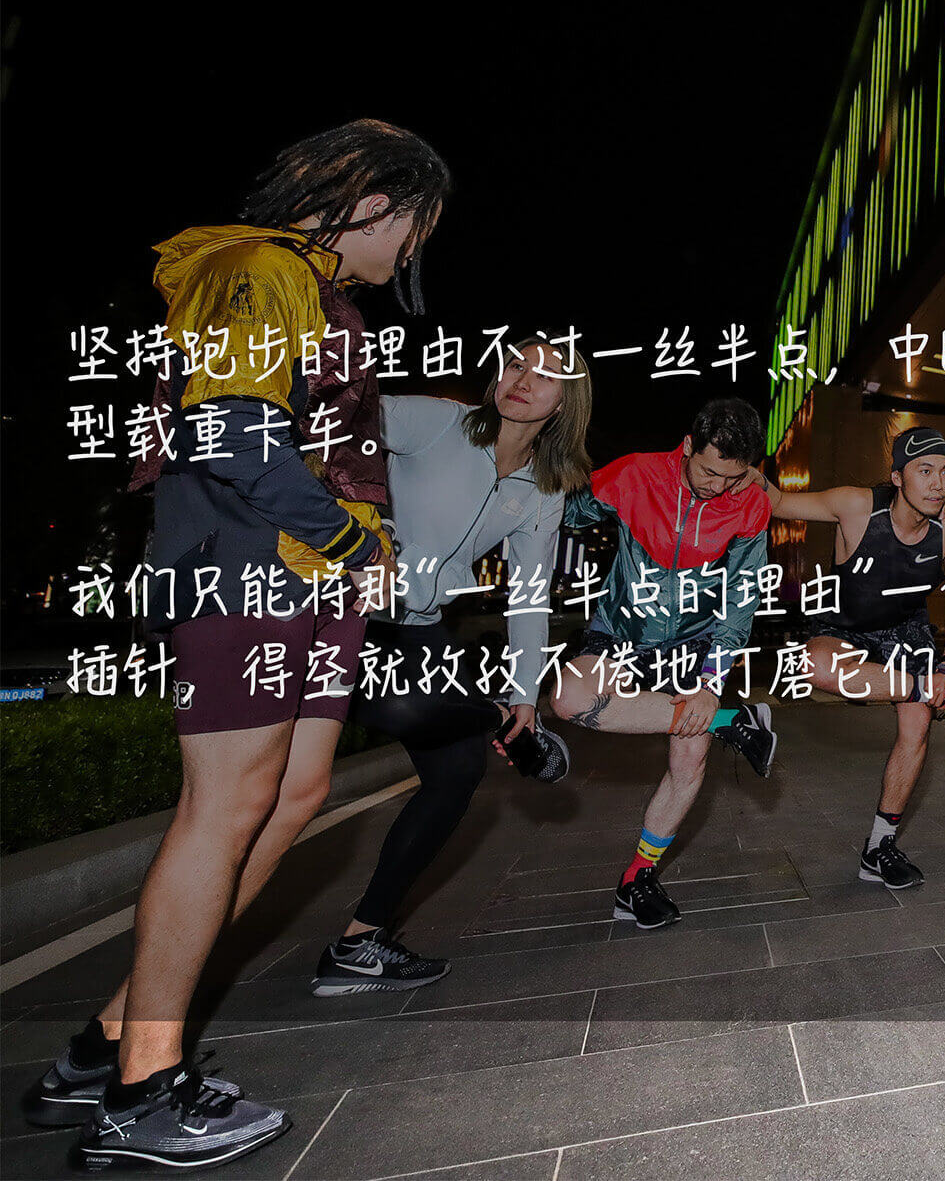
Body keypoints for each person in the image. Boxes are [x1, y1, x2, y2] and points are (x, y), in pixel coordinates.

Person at [20, 121, 447, 1171]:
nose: (414, 250)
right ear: (374, 203)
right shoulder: (253, 268)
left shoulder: (311, 288)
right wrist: (351, 539)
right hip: (249, 558)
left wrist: (359, 553)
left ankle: (108, 1044)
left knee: (293, 793)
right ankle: (142, 1092)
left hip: (306, 569)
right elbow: (235, 433)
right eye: (418, 226)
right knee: (225, 805)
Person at [309, 336, 590, 996]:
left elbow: (529, 596)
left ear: (564, 402)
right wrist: (351, 528)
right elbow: (331, 422)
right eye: (515, 362)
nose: (524, 378)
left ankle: (359, 942)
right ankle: (488, 714)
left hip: (420, 626)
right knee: (399, 708)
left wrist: (525, 695)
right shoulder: (437, 421)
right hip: (346, 609)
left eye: (546, 374)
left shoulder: (543, 487)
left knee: (458, 771)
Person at [546, 399, 781, 929]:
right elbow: (565, 510)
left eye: (733, 476)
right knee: (569, 699)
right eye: (709, 472)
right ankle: (731, 723)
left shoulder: (748, 504)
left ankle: (637, 880)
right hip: (622, 629)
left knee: (689, 760)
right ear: (689, 445)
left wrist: (711, 683)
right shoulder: (636, 474)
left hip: (696, 643)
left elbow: (742, 598)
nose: (718, 487)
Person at [765, 425, 945, 889]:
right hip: (844, 626)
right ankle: (932, 691)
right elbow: (776, 502)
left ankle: (879, 848)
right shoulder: (855, 505)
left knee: (916, 725)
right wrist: (737, 465)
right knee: (810, 666)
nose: (938, 484)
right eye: (925, 471)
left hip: (906, 630)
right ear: (897, 477)